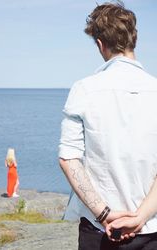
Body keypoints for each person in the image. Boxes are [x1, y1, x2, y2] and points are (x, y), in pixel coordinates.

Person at [59, 2, 157, 249]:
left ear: (100, 44)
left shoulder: (83, 89)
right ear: (134, 39)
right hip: (152, 228)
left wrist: (104, 213)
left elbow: (69, 159)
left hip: (98, 229)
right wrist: (140, 217)